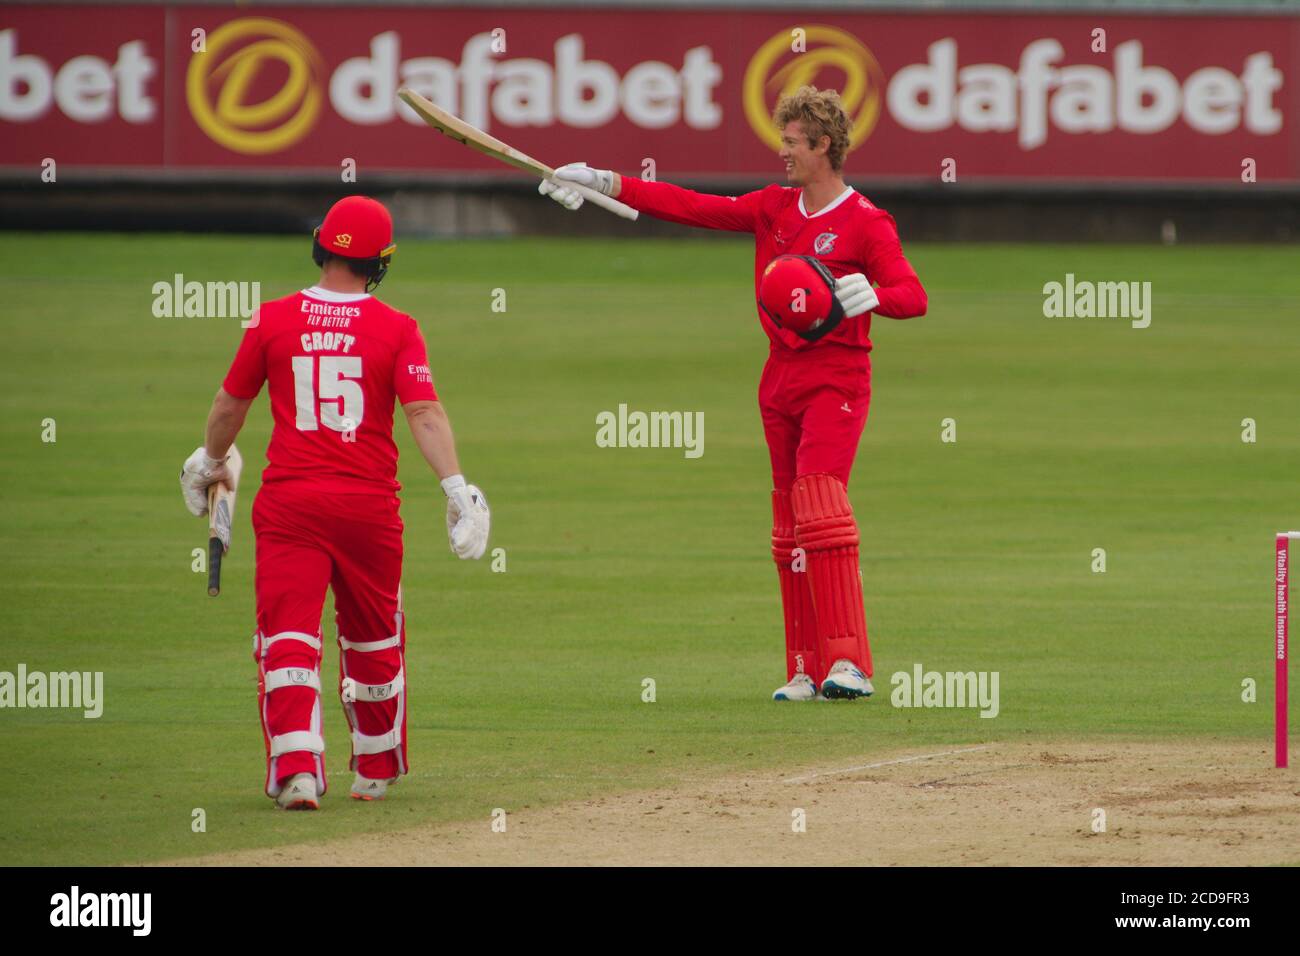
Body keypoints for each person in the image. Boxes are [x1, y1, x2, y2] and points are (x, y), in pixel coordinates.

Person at [540, 86, 927, 702]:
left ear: (824, 145)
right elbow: (688, 205)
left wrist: (876, 296)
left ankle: (849, 662)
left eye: (794, 142)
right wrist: (601, 181)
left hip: (839, 378)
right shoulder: (773, 208)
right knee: (789, 526)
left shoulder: (866, 221)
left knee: (823, 510)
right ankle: (802, 666)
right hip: (778, 381)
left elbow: (914, 294)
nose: (784, 153)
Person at [179, 196, 489, 808]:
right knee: (373, 639)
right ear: (381, 262)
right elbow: (423, 411)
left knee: (289, 637)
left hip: (291, 504)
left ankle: (298, 770)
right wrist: (458, 488)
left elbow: (229, 406)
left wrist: (210, 460)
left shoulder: (270, 319)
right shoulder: (398, 327)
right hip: (369, 509)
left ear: (320, 245)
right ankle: (373, 769)